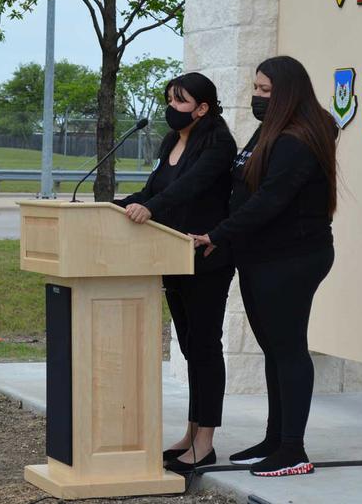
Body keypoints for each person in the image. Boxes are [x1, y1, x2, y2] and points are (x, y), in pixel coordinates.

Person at [191, 55, 338, 477]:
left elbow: (271, 199)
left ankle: (293, 450)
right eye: (256, 89)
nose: (257, 97)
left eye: (266, 91)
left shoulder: (298, 139)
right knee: (273, 349)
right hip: (260, 256)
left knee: (288, 348)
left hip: (291, 257)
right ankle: (276, 438)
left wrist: (218, 234)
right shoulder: (270, 131)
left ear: (288, 93)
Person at [114, 72, 237, 472]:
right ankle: (190, 432)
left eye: (180, 101)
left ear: (202, 108)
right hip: (171, 257)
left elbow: (190, 188)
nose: (171, 108)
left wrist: (152, 209)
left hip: (204, 258)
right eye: (169, 99)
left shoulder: (218, 142)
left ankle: (206, 441)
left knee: (205, 346)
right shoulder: (171, 141)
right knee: (189, 348)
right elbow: (154, 190)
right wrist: (112, 205)